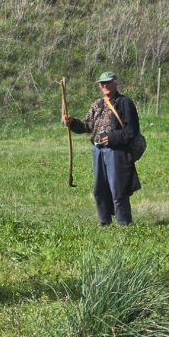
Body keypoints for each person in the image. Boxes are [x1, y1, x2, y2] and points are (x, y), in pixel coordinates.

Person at [62, 71, 141, 226]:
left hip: (117, 151)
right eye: (102, 83)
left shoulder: (125, 103)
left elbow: (131, 131)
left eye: (108, 82)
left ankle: (124, 222)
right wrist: (71, 122)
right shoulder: (97, 104)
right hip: (98, 151)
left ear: (116, 83)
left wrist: (112, 138)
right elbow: (86, 125)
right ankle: (104, 221)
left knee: (118, 188)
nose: (105, 85)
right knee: (100, 188)